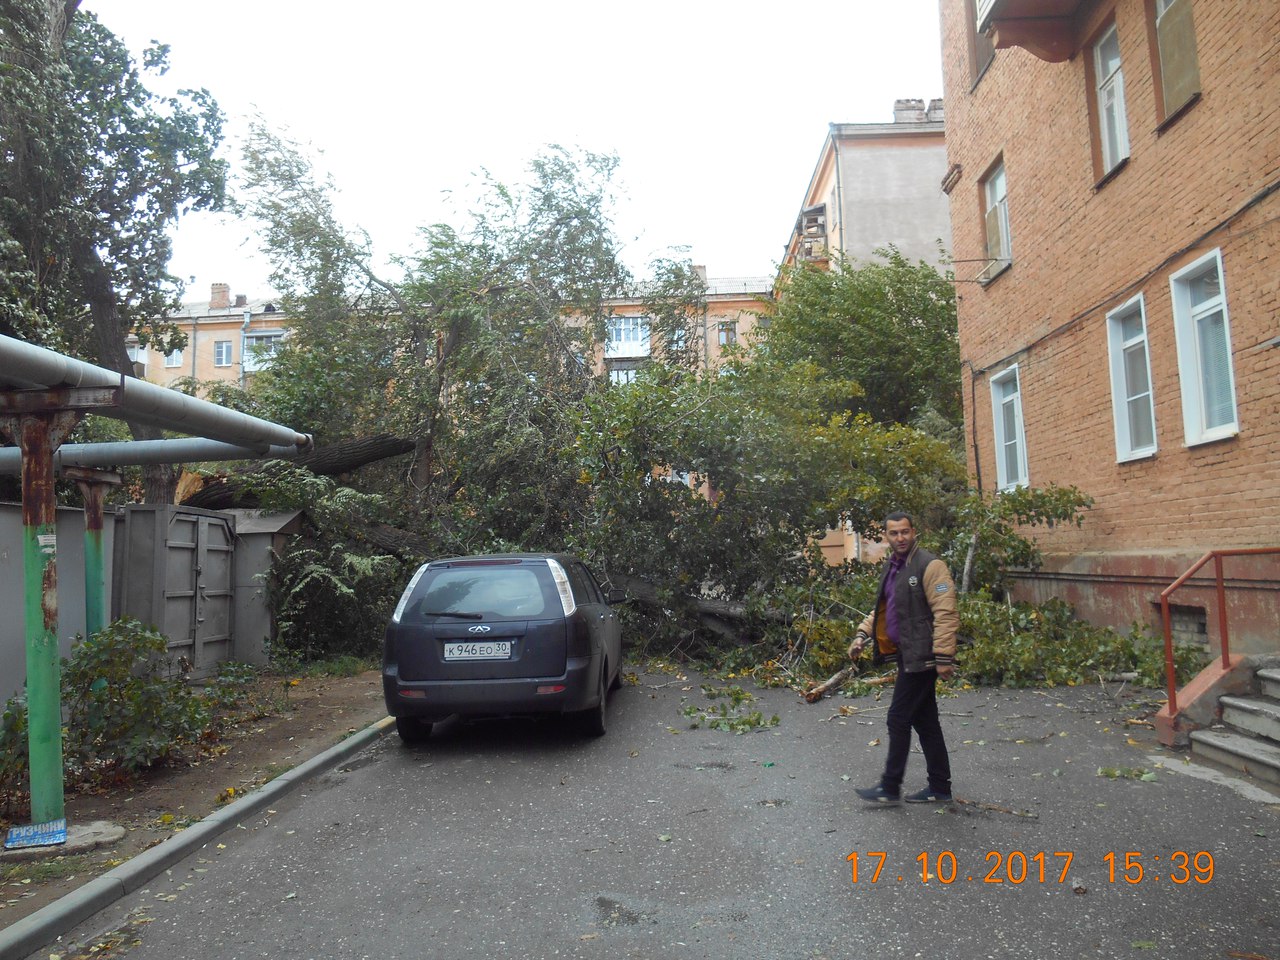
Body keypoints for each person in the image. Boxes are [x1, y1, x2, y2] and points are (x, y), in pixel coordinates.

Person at [848, 511, 958, 805]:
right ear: (886, 536)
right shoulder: (893, 567)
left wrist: (944, 656)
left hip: (924, 656)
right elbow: (884, 610)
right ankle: (940, 787)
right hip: (906, 654)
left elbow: (946, 612)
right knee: (925, 721)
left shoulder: (930, 566)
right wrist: (862, 635)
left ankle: (890, 786)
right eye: (894, 533)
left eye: (905, 532)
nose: (900, 538)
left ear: (914, 532)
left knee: (898, 717)